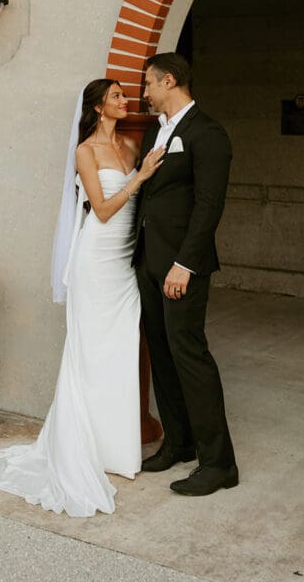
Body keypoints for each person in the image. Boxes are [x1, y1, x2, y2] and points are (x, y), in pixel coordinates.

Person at [0, 78, 164, 517]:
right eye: (115, 96)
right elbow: (104, 208)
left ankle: (117, 446)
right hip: (96, 258)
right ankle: (84, 445)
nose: (123, 100)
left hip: (125, 261)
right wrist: (142, 178)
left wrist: (145, 172)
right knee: (89, 353)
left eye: (122, 95)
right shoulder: (86, 152)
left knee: (120, 351)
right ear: (97, 107)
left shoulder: (131, 148)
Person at [134, 52, 238, 496]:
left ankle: (219, 465)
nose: (145, 93)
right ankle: (180, 442)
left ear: (170, 81)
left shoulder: (208, 133)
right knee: (162, 353)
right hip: (148, 262)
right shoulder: (156, 133)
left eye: (149, 85)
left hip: (182, 267)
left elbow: (208, 206)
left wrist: (185, 264)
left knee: (190, 357)